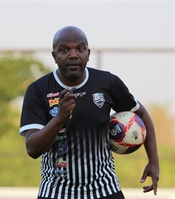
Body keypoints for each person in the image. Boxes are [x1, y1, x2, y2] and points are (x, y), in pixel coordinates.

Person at [19, 26, 159, 199]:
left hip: (104, 188)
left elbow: (142, 115)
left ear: (88, 53)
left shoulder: (107, 82)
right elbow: (32, 148)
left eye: (80, 48)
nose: (73, 55)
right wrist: (60, 118)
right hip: (56, 191)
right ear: (54, 56)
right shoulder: (38, 90)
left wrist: (153, 160)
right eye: (64, 50)